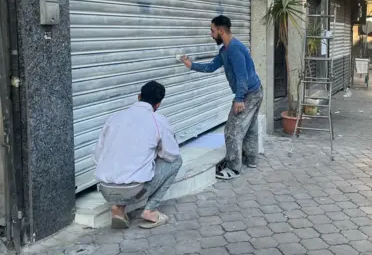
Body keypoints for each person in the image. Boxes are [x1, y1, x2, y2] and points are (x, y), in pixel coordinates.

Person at [181, 15, 262, 180]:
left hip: (248, 94)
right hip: (254, 91)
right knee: (250, 128)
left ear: (220, 30)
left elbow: (242, 77)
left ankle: (234, 168)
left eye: (212, 31)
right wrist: (191, 65)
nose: (211, 35)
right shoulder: (225, 50)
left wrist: (239, 99)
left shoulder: (234, 49)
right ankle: (251, 159)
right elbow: (211, 67)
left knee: (232, 129)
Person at [93, 81, 182, 229]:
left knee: (125, 165)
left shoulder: (114, 117)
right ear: (158, 105)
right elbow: (171, 155)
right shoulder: (158, 120)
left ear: (138, 96)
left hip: (105, 189)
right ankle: (150, 211)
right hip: (135, 192)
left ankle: (118, 209)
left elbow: (97, 156)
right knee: (176, 161)